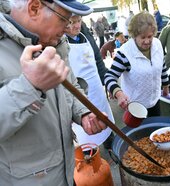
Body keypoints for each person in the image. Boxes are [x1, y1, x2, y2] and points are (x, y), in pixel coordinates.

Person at [0, 0, 107, 185]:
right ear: (34, 8)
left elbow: (70, 85)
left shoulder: (54, 42)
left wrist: (83, 113)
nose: (68, 28)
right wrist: (29, 87)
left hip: (65, 172)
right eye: (64, 19)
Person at [104, 11, 169, 118]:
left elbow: (161, 65)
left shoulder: (157, 44)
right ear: (134, 35)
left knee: (156, 131)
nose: (147, 41)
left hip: (154, 100)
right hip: (135, 107)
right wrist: (118, 93)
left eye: (150, 36)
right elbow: (109, 77)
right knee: (139, 134)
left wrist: (166, 85)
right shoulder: (125, 53)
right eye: (143, 37)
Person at [65, 15, 115, 149]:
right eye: (71, 22)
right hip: (79, 96)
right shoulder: (58, 42)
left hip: (97, 91)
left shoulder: (86, 35)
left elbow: (99, 62)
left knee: (106, 124)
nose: (76, 26)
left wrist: (111, 86)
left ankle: (110, 146)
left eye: (79, 21)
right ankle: (90, 156)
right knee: (86, 136)